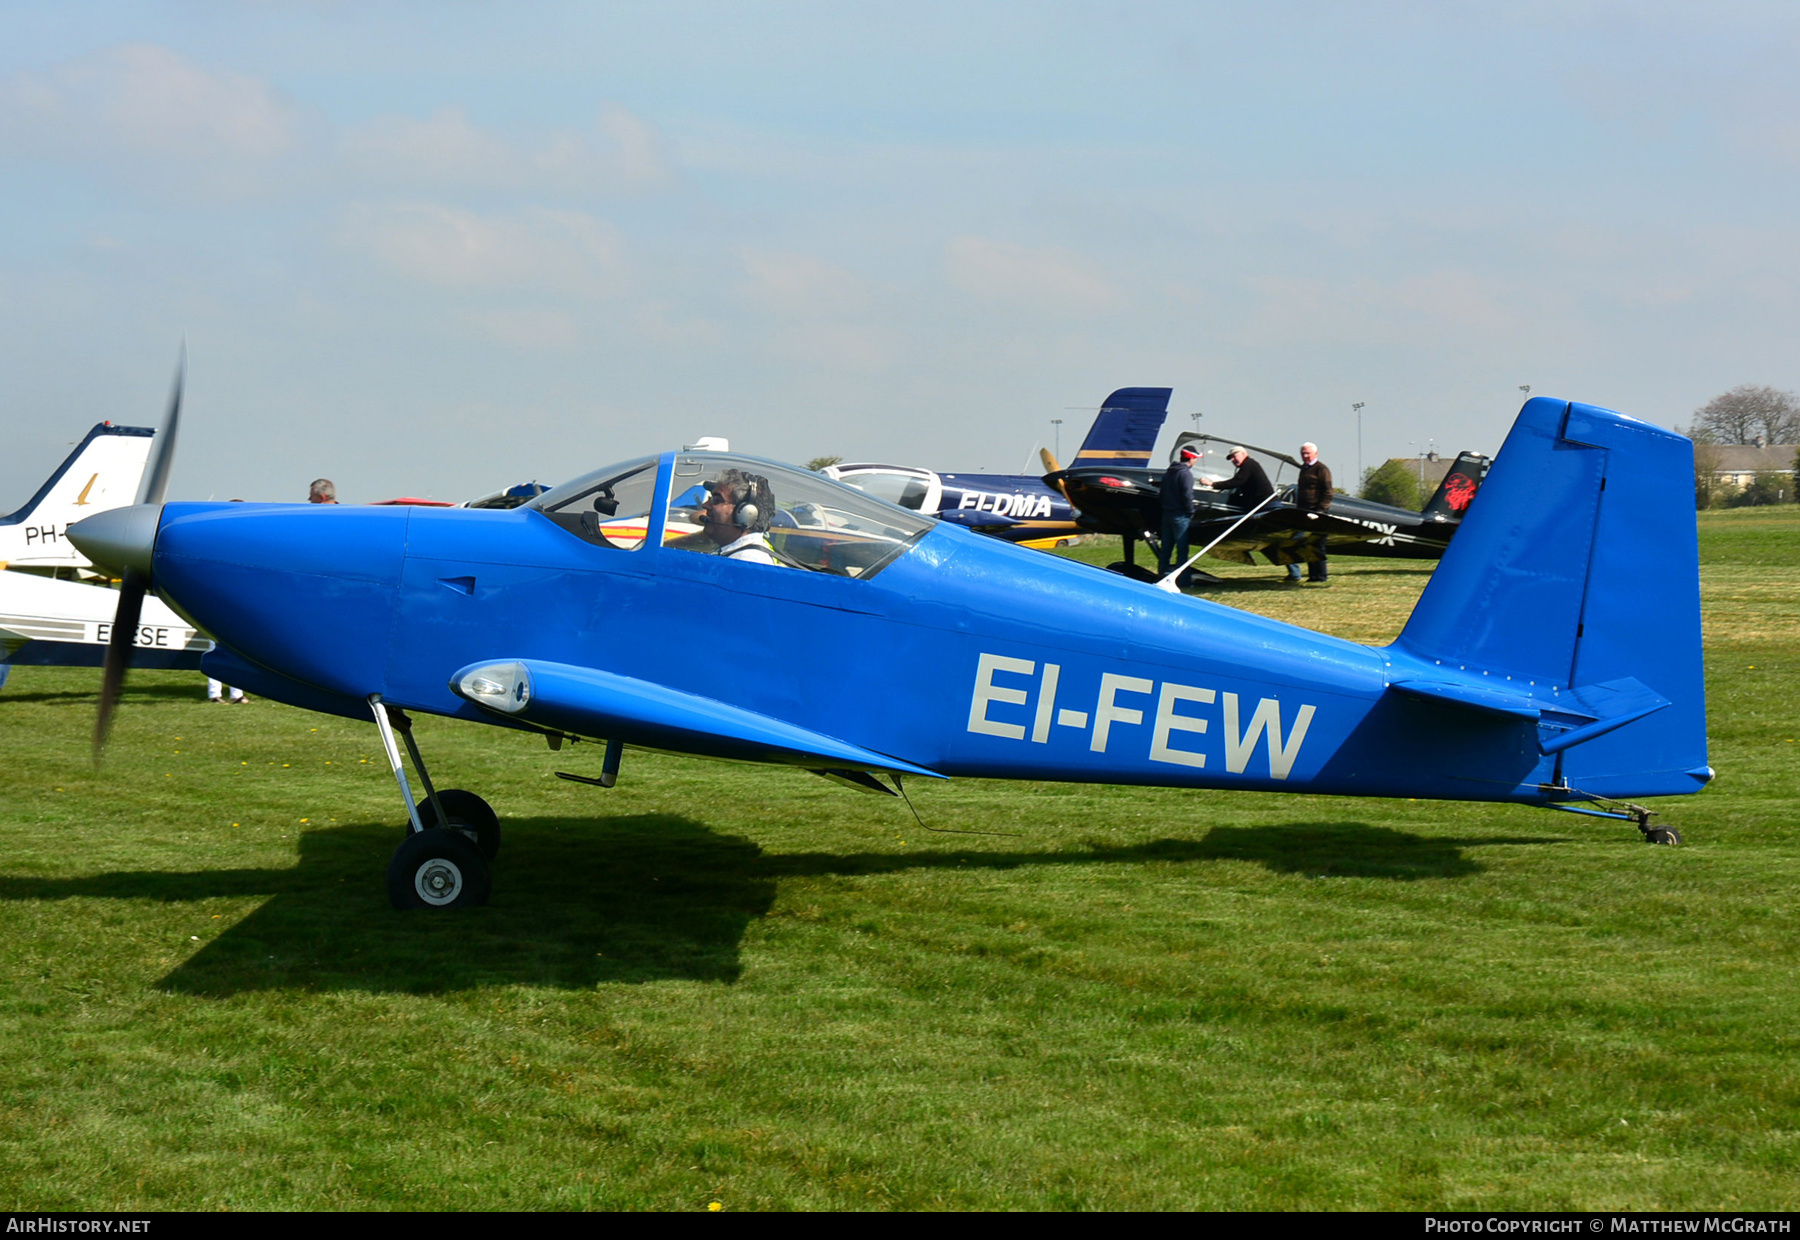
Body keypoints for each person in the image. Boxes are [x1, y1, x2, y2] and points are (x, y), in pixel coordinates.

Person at [700, 468, 777, 564]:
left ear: (746, 514)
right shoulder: (732, 552)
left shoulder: (747, 561)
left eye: (717, 499)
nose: (705, 505)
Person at [1287, 441, 1333, 584]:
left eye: (1308, 453)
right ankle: (1313, 575)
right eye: (1303, 453)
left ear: (1315, 454)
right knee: (1307, 544)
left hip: (1317, 512)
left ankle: (1321, 575)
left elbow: (1328, 492)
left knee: (1318, 544)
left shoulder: (1321, 469)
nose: (1305, 456)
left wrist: (1320, 511)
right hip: (1304, 512)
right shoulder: (1304, 469)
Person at [1157, 447, 1198, 576]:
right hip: (1180, 516)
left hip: (1167, 514)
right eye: (1195, 458)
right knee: (1182, 549)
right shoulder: (1185, 474)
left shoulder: (1169, 473)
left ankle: (1161, 575)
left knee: (1166, 549)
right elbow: (1187, 495)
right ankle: (1183, 579)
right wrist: (1191, 510)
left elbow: (1162, 494)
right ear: (1191, 458)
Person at [1203, 446, 1275, 512]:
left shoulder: (1248, 464)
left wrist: (1212, 484)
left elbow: (1237, 481)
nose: (1233, 460)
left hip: (1266, 505)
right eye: (1231, 458)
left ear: (1243, 454)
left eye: (1234, 456)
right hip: (1261, 505)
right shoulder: (1249, 465)